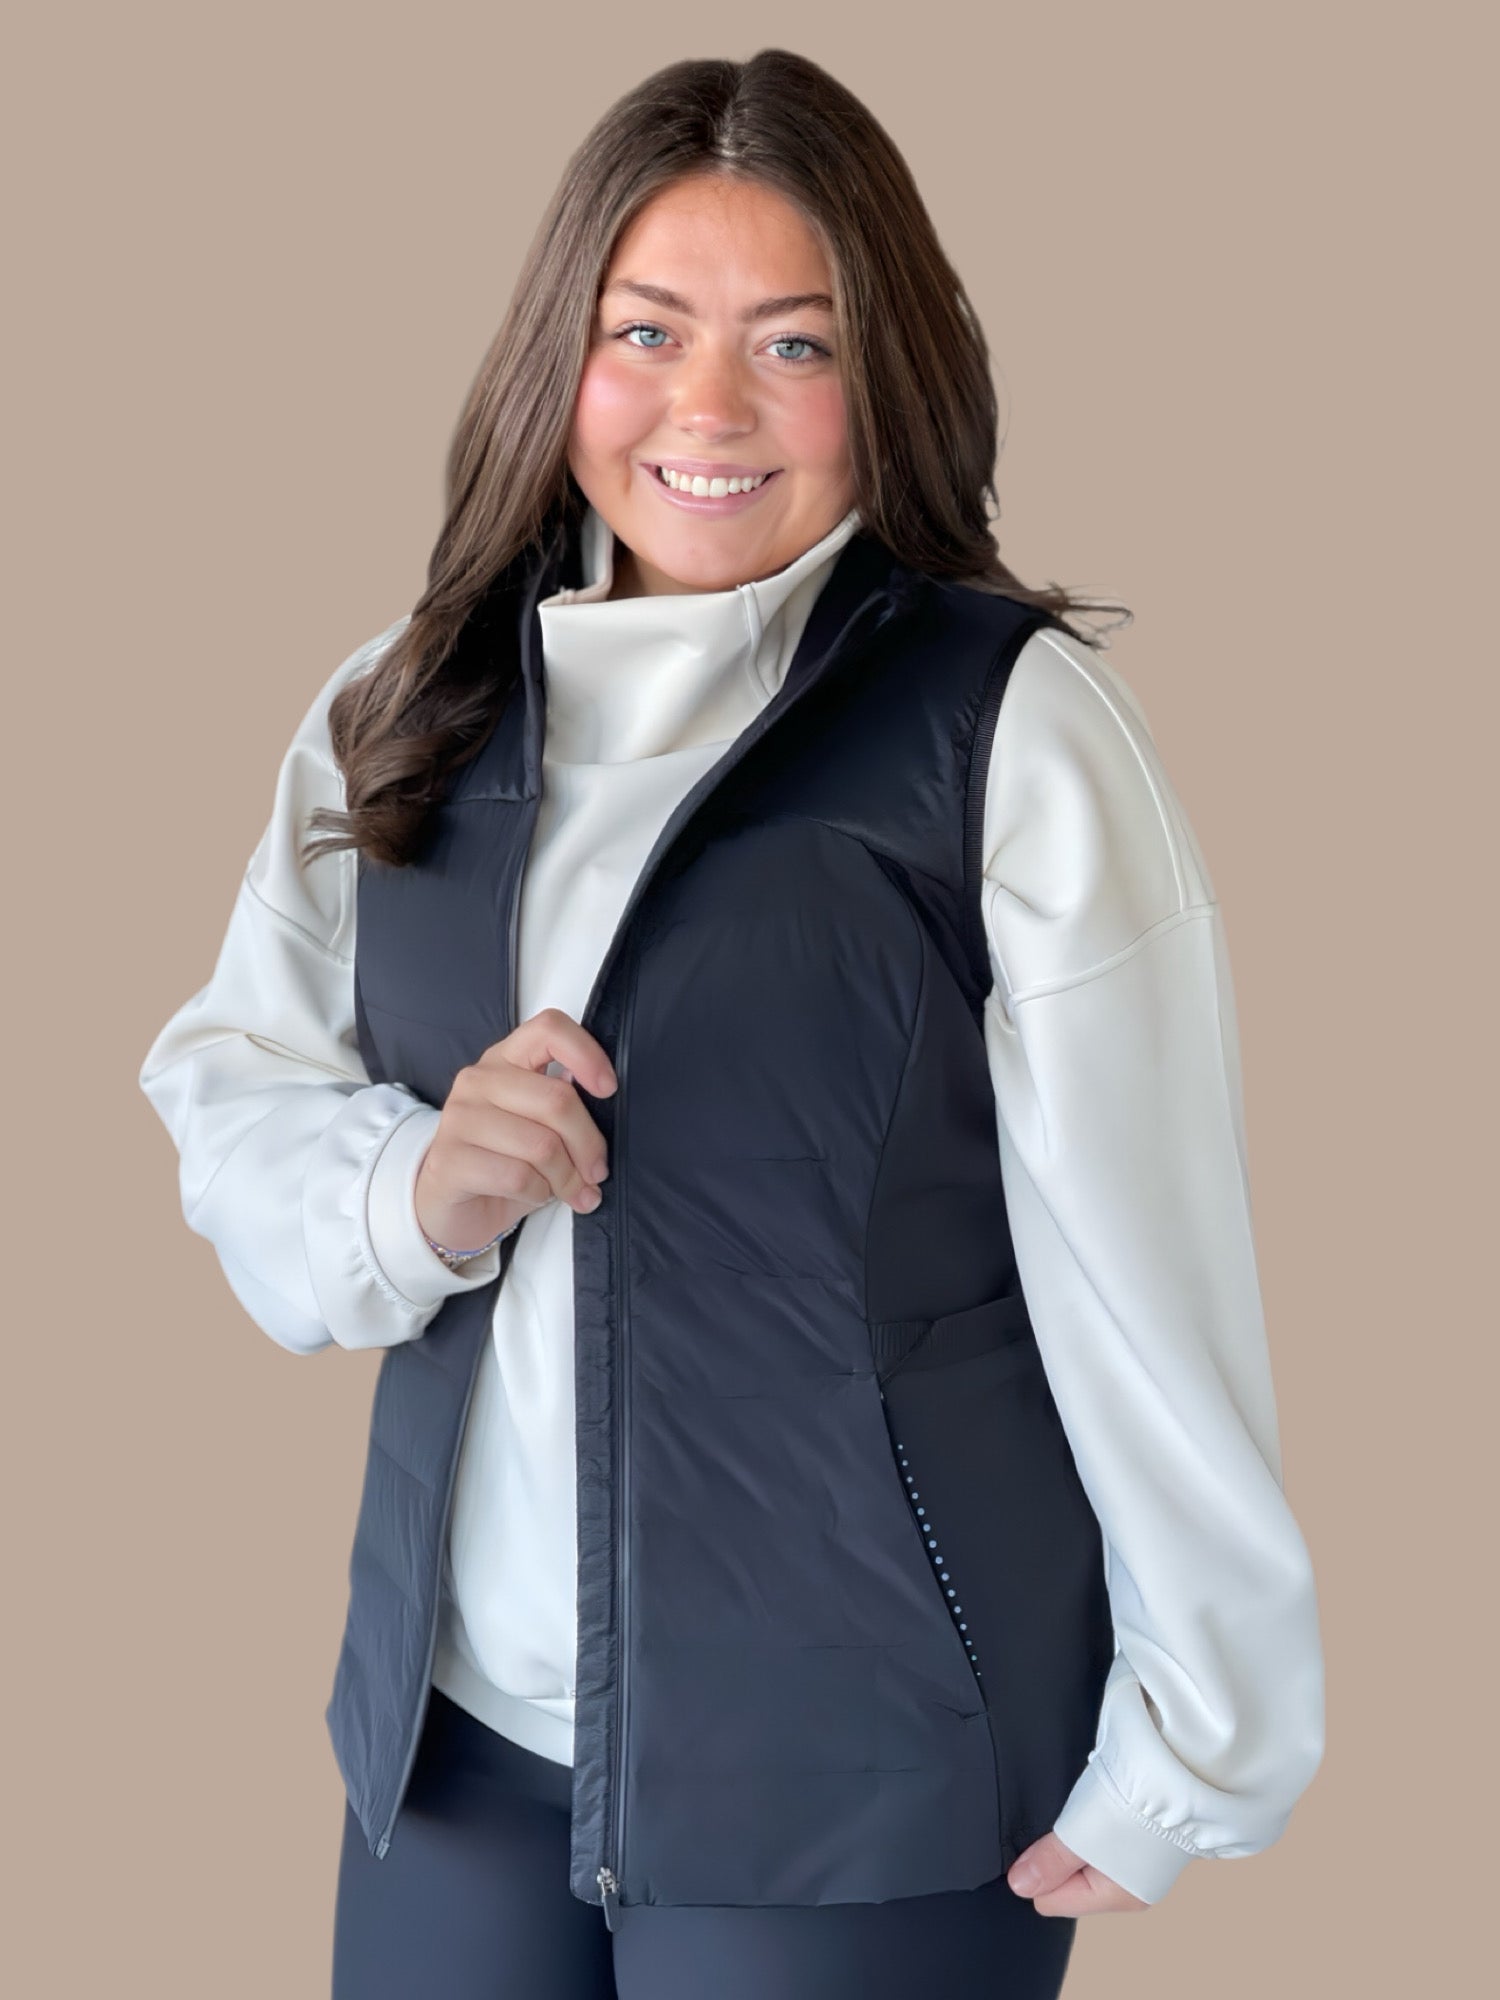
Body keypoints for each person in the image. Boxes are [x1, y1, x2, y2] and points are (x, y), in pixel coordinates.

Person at [137, 47, 1325, 2000]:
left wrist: (1200, 1739)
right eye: (647, 332)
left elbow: (1150, 1259)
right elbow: (232, 1088)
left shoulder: (1007, 730)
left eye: (795, 343)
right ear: (559, 357)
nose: (710, 407)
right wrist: (407, 1190)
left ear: (890, 377)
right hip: (453, 1752)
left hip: (859, 1779)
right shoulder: (404, 706)